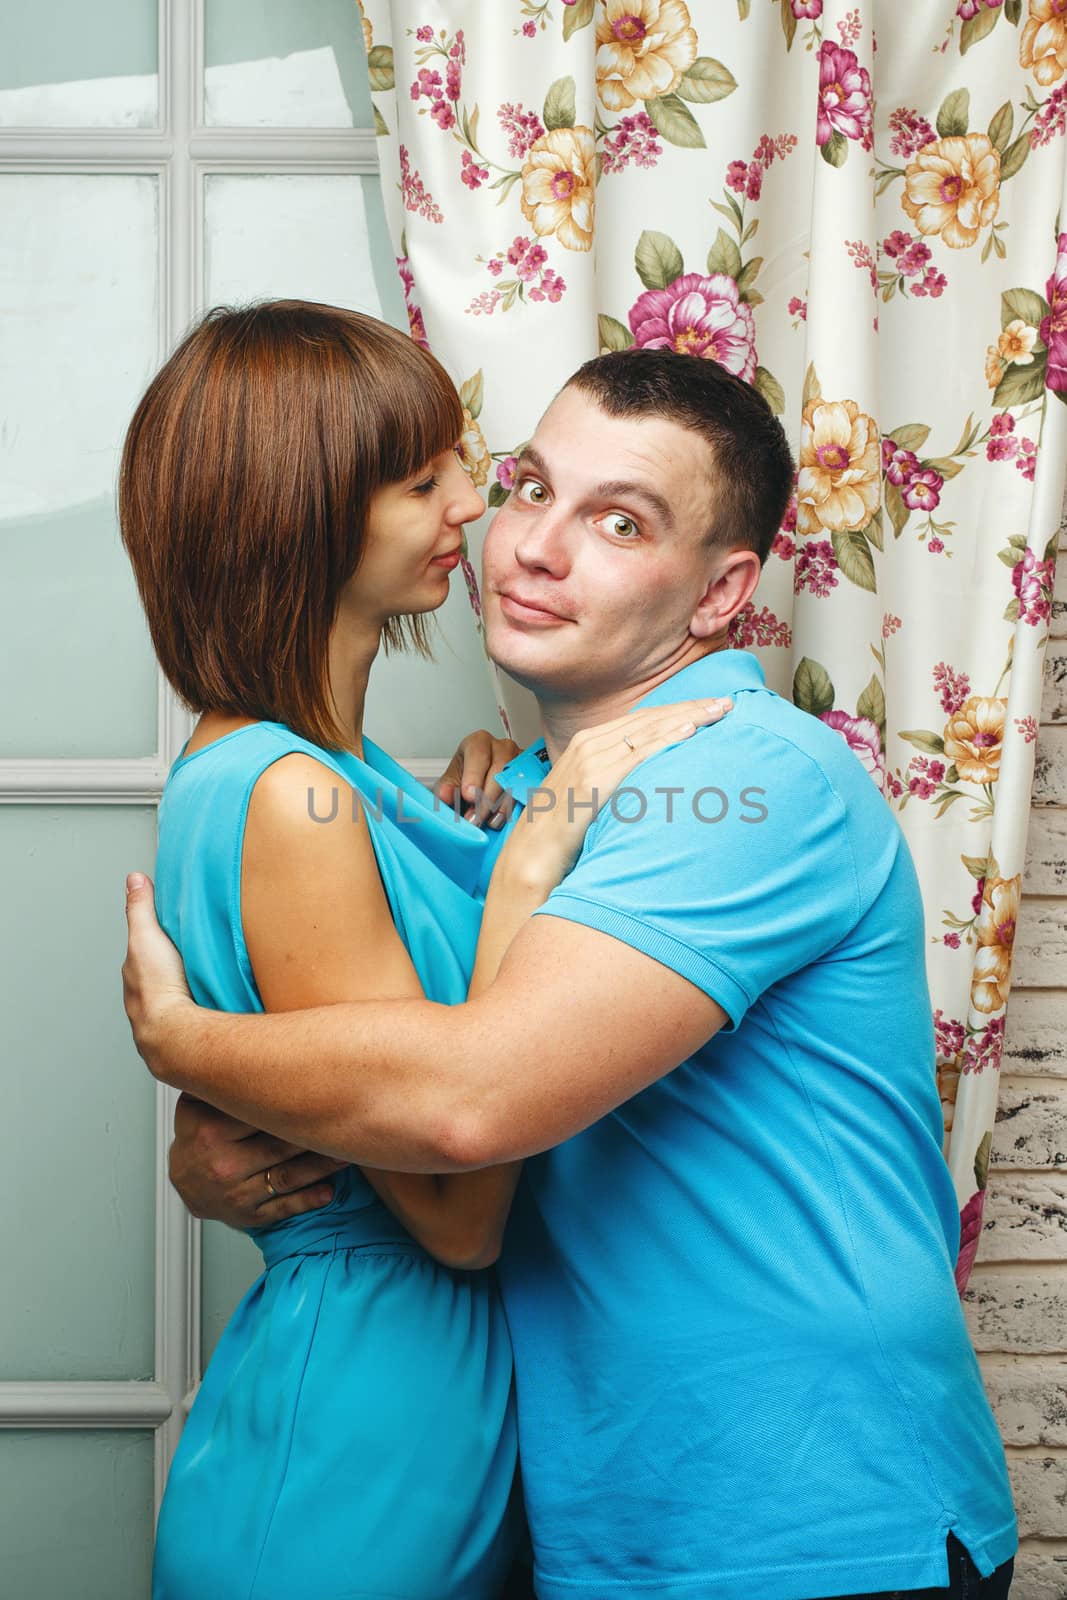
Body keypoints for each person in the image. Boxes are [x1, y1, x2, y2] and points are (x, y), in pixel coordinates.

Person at [124, 347, 1017, 1600]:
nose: (533, 546)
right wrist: (233, 1146)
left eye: (617, 521)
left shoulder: (750, 778)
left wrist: (187, 1049)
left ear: (720, 593)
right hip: (605, 1527)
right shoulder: (520, 803)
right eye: (530, 488)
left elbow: (467, 1102)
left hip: (802, 1525)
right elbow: (377, 1008)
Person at [118, 302, 725, 1600]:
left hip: (445, 1409)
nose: (477, 506)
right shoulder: (281, 791)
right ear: (308, 514)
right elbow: (453, 1216)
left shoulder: (338, 776)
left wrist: (488, 796)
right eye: (423, 480)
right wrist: (542, 830)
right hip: (362, 1427)